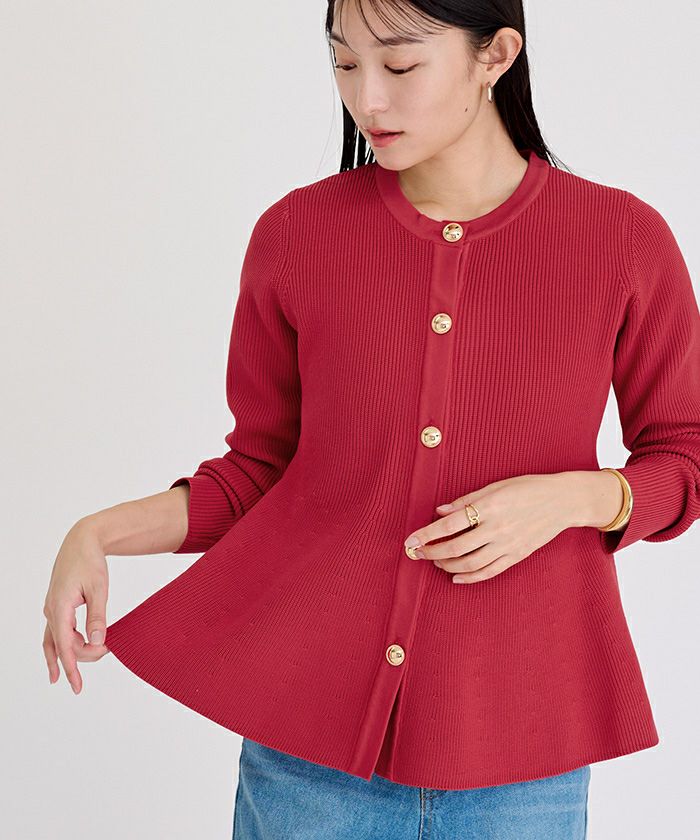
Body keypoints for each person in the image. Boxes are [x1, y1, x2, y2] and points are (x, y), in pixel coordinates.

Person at [43, 1, 700, 837]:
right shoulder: (297, 236)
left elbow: (686, 453)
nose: (367, 100)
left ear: (495, 55)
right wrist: (98, 533)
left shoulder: (620, 241)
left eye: (399, 65)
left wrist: (575, 497)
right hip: (309, 762)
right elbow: (264, 473)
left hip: (526, 757)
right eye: (345, 63)